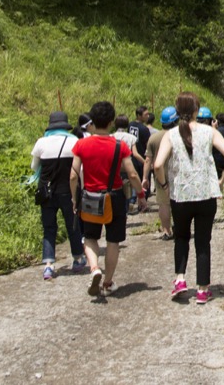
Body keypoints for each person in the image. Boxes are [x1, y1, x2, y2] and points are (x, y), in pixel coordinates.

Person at [153, 93, 224, 304]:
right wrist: (220, 180)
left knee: (181, 238)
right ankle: (202, 290)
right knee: (202, 242)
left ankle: (180, 279)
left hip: (180, 196)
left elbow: (157, 164)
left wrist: (164, 184)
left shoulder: (170, 134)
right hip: (206, 195)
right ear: (197, 110)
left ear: (177, 110)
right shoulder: (210, 131)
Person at [70, 101, 148, 297]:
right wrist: (140, 195)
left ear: (93, 122)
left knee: (90, 238)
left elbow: (73, 175)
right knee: (113, 241)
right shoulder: (120, 146)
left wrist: (74, 198)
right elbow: (131, 174)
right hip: (113, 197)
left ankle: (95, 267)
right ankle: (107, 283)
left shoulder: (81, 144)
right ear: (112, 122)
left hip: (89, 197)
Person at [30, 111, 86, 280]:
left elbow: (34, 167)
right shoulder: (74, 141)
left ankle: (48, 265)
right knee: (72, 225)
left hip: (46, 193)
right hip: (69, 191)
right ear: (66, 125)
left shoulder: (41, 142)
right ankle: (77, 259)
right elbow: (79, 170)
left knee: (49, 228)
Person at [145, 106, 178, 240]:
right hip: (177, 176)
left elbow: (148, 160)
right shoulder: (179, 136)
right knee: (178, 204)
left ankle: (166, 231)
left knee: (163, 204)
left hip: (160, 177)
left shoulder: (154, 138)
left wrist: (144, 178)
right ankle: (179, 228)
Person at [113, 114, 146, 214]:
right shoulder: (131, 137)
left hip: (114, 168)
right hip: (126, 167)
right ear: (127, 125)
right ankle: (126, 209)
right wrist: (146, 162)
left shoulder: (111, 136)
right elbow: (135, 154)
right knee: (127, 189)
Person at [128, 105, 151, 191]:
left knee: (134, 183)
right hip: (142, 158)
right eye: (146, 114)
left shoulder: (130, 125)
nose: (148, 116)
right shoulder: (144, 129)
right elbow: (148, 145)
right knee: (144, 183)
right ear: (139, 115)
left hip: (132, 158)